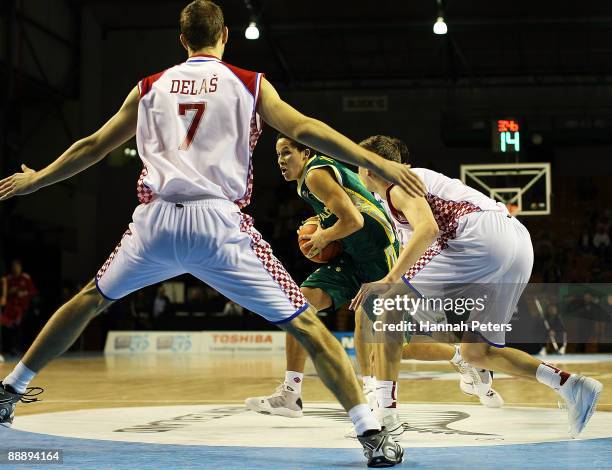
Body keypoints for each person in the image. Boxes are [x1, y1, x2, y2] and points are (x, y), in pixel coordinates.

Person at [0, 2, 427, 465]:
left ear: (182, 40)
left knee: (89, 299)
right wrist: (378, 163)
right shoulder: (249, 83)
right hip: (218, 224)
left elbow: (93, 146)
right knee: (305, 323)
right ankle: (372, 436)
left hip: (156, 221)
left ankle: (10, 391)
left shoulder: (149, 87)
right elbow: (305, 128)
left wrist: (37, 179)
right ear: (225, 34)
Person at [353, 135, 603, 438]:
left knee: (388, 307)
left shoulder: (400, 183)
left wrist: (391, 281)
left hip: (477, 236)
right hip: (516, 243)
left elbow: (428, 231)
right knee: (477, 352)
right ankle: (570, 385)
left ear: (369, 166)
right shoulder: (399, 197)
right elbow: (423, 248)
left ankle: (385, 415)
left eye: (358, 162)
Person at [246, 135, 404, 433]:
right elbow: (342, 216)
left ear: (305, 153)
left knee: (380, 332)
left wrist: (323, 236)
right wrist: (321, 226)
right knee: (299, 305)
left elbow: (354, 220)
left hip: (376, 250)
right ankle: (291, 395)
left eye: (287, 153)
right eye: (277, 154)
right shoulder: (308, 181)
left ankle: (457, 357)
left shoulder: (316, 173)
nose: (281, 160)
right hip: (352, 251)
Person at [0, 260, 37, 356]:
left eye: (17, 267)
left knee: (19, 328)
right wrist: (11, 292)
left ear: (20, 268)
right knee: (8, 327)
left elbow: (33, 292)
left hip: (22, 308)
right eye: (14, 267)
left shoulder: (25, 278)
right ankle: (9, 348)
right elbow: (4, 294)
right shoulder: (8, 279)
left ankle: (19, 348)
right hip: (10, 309)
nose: (16, 269)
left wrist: (24, 293)